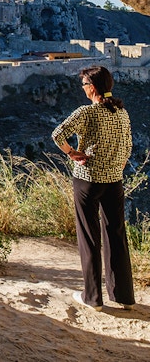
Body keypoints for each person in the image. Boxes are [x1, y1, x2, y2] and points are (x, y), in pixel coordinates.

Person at [52, 65, 135, 312]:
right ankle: (124, 297)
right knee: (116, 235)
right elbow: (128, 146)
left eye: (84, 85)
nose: (83, 90)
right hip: (114, 181)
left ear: (93, 87)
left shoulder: (86, 113)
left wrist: (73, 154)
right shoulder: (122, 113)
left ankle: (93, 298)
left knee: (89, 237)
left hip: (88, 180)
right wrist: (116, 165)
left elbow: (58, 134)